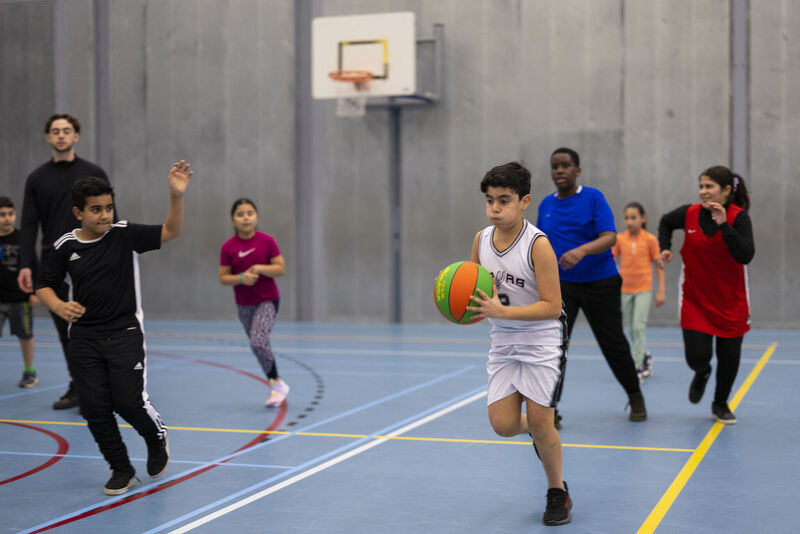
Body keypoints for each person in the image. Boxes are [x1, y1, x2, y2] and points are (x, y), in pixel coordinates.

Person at [35, 162, 192, 494]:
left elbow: (171, 231)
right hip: (84, 338)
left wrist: (175, 196)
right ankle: (120, 467)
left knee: (127, 401)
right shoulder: (65, 246)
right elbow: (44, 286)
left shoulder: (124, 234)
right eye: (96, 210)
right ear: (78, 212)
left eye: (108, 208)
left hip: (124, 334)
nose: (104, 215)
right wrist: (60, 306)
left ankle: (156, 436)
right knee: (93, 408)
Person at [467, 162, 572, 526]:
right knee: (503, 424)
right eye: (489, 201)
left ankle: (557, 492)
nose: (495, 208)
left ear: (524, 201)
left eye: (504, 201)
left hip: (542, 339)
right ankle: (543, 431)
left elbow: (553, 307)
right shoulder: (481, 240)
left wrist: (502, 312)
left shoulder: (538, 245)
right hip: (504, 343)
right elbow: (474, 286)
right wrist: (463, 302)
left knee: (542, 420)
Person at [536, 147, 646, 424]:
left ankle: (635, 397)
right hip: (562, 286)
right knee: (555, 347)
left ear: (577, 170)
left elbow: (610, 237)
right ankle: (551, 410)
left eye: (565, 165)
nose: (559, 170)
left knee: (614, 344)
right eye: (555, 166)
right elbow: (539, 245)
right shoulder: (546, 206)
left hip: (600, 282)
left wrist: (582, 251)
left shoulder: (593, 198)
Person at [18, 114, 110, 410]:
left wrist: (112, 257)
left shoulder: (93, 173)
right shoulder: (37, 178)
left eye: (66, 131)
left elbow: (109, 216)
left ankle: (95, 388)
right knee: (65, 328)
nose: (61, 135)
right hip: (53, 263)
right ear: (48, 137)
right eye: (55, 131)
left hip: (91, 262)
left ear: (76, 135)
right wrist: (25, 265)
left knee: (90, 327)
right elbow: (29, 224)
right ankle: (79, 387)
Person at [657, 165, 754, 424]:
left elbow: (745, 254)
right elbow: (665, 221)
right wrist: (665, 247)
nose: (703, 191)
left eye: (709, 186)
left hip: (731, 302)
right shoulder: (689, 213)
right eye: (701, 186)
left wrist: (723, 225)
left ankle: (720, 404)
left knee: (729, 358)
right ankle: (702, 372)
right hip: (695, 300)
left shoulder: (738, 217)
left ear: (725, 190)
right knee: (697, 357)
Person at [219, 198, 288, 408]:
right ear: (233, 220)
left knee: (258, 340)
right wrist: (241, 278)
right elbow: (224, 277)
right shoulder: (228, 247)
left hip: (267, 300)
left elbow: (280, 268)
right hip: (244, 304)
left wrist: (259, 268)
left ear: (256, 216)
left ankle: (276, 385)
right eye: (240, 214)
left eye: (250, 213)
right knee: (258, 346)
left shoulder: (267, 241)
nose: (245, 217)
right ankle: (277, 383)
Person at [611, 202, 665, 383]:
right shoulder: (619, 239)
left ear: (643, 218)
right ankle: (644, 356)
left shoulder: (650, 240)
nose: (629, 221)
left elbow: (659, 266)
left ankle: (636, 367)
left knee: (638, 326)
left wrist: (661, 291)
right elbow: (610, 260)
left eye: (633, 218)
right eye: (626, 218)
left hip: (643, 289)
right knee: (632, 329)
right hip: (625, 289)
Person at [0, 196, 40, 387]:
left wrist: (35, 292)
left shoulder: (23, 238)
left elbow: (35, 265)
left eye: (10, 214)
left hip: (20, 298)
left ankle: (29, 371)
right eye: (2, 215)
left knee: (25, 335)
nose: (7, 218)